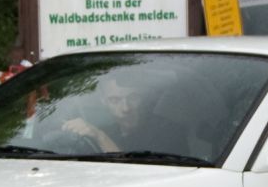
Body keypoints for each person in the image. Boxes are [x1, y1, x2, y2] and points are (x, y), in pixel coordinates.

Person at [61, 65, 189, 155]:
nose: (125, 108)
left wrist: (100, 137)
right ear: (104, 102)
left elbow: (137, 177)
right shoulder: (108, 131)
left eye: (133, 98)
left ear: (145, 98)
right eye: (115, 100)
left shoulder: (168, 132)